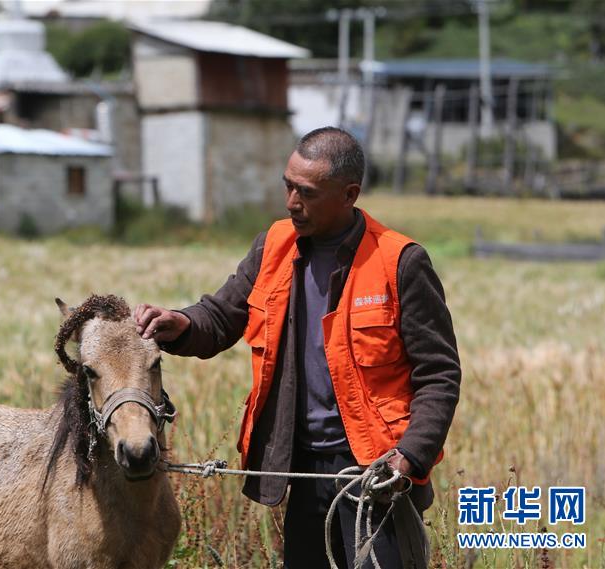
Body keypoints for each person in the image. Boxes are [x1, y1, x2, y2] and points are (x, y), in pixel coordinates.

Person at [134, 127, 461, 568]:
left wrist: (411, 456)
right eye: (287, 186)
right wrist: (183, 322)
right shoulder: (273, 245)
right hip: (299, 466)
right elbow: (221, 317)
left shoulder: (399, 261)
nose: (291, 202)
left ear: (349, 194)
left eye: (306, 192)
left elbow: (439, 375)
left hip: (374, 475)